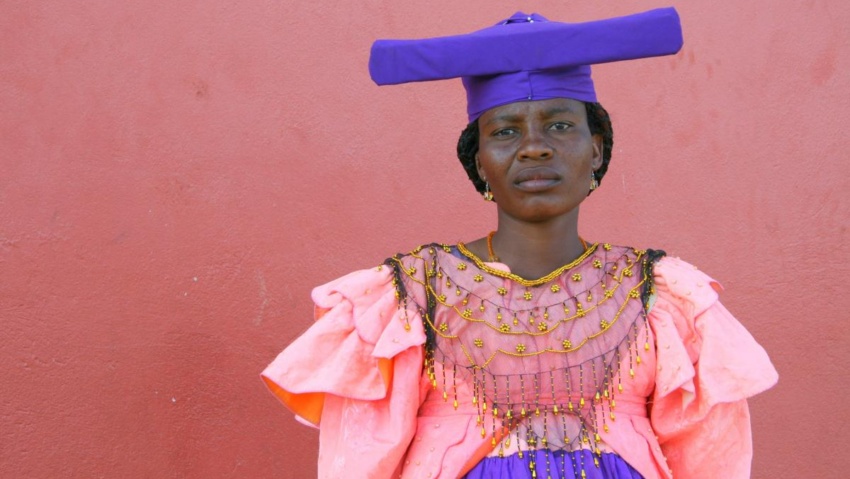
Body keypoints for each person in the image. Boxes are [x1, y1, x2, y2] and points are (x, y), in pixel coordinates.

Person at [261, 7, 778, 479]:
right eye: (505, 132)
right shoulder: (410, 296)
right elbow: (358, 463)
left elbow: (712, 458)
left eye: (559, 125)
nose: (534, 147)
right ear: (478, 160)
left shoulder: (664, 297)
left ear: (596, 150)